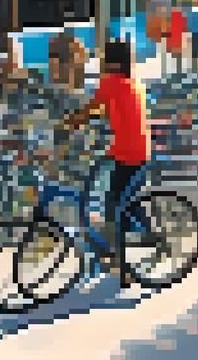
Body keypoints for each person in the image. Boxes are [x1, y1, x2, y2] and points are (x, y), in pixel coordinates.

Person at [61, 39, 150, 283]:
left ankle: (124, 267)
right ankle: (146, 231)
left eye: (102, 58)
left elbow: (91, 108)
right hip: (136, 150)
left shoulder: (110, 83)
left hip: (128, 153)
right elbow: (107, 110)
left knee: (113, 207)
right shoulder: (128, 83)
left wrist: (70, 123)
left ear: (110, 61)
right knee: (122, 198)